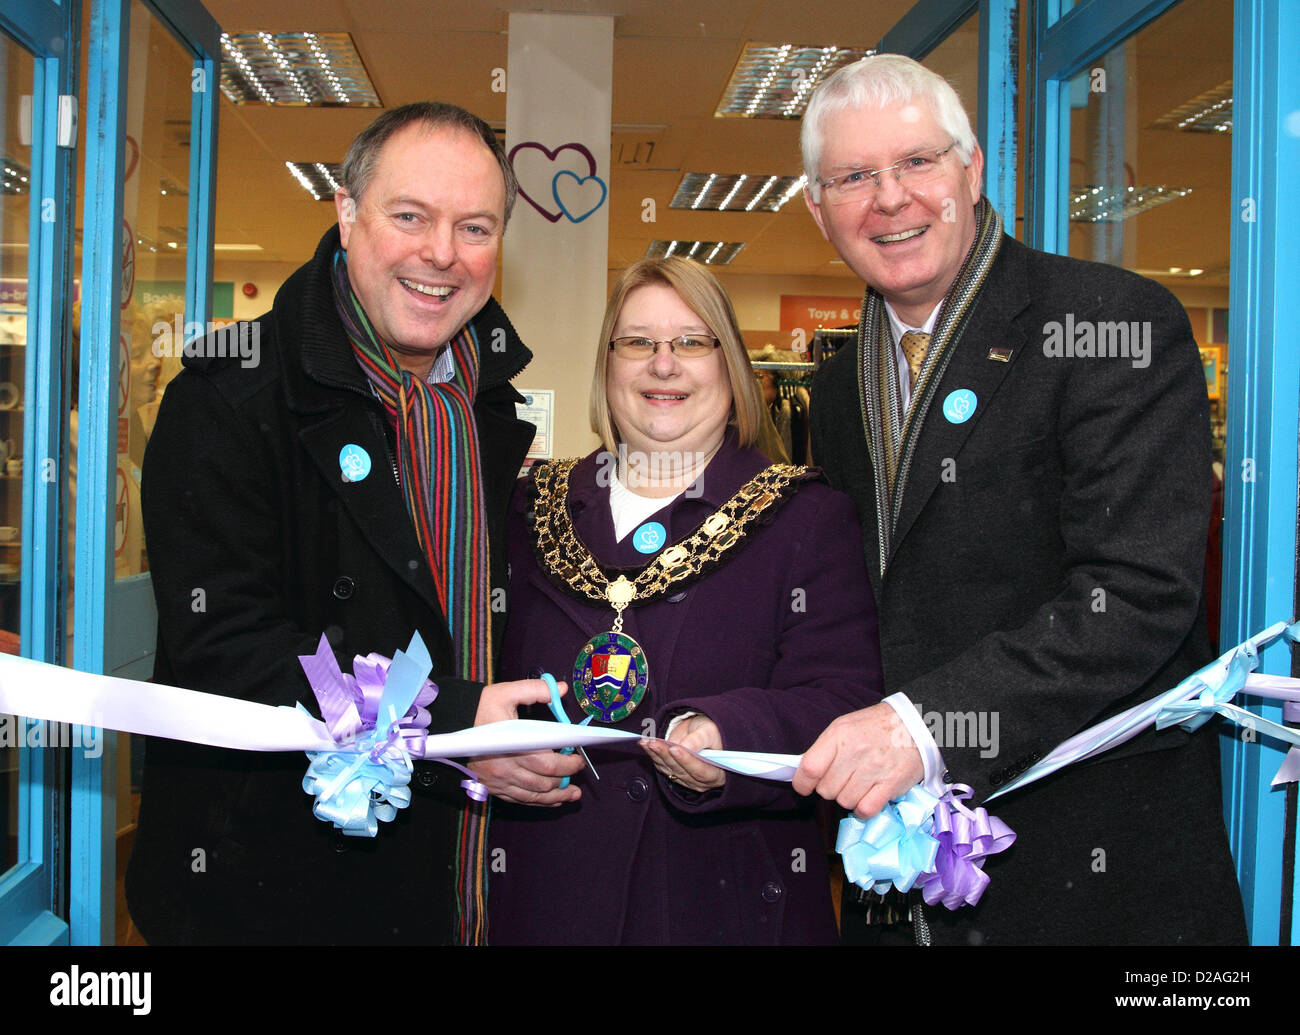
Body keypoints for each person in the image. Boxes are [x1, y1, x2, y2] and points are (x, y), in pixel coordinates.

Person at [791, 54, 1245, 945]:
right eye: (853, 176)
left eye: (918, 161)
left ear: (973, 168)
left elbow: (1138, 594)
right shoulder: (838, 389)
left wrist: (925, 729)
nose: (890, 199)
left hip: (1096, 875)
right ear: (818, 207)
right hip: (900, 879)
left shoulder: (1111, 325)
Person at [127, 102, 556, 945]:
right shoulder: (227, 398)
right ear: (347, 213)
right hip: (269, 885)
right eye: (410, 216)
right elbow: (230, 649)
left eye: (475, 227)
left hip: (455, 872)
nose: (442, 253)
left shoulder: (491, 408)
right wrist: (453, 724)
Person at [479, 257, 883, 944]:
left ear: (730, 367)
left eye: (692, 343)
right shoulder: (528, 507)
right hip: (547, 896)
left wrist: (728, 732)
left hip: (723, 901)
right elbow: (479, 674)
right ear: (607, 364)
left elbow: (845, 701)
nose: (663, 365)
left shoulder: (803, 516)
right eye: (637, 342)